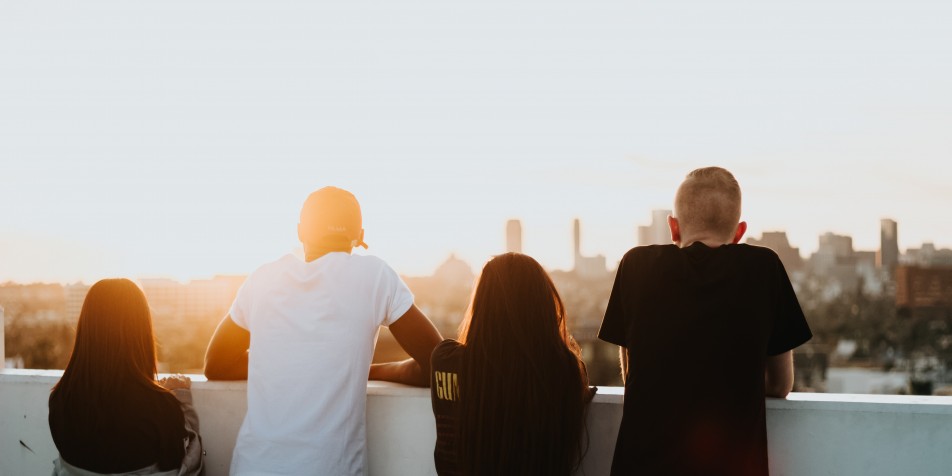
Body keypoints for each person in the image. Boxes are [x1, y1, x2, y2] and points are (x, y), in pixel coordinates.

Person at [204, 186, 443, 476]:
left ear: (300, 232)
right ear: (360, 236)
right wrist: (369, 371)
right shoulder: (375, 276)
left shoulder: (263, 279)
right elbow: (438, 364)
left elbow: (215, 365)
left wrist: (284, 362)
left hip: (254, 467)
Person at [598, 166, 812, 476]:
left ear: (673, 228)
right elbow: (779, 385)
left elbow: (633, 373)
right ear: (740, 232)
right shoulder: (763, 268)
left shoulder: (636, 266)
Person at [430, 252, 594, 476]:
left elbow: (411, 370)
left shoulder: (446, 360)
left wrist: (373, 369)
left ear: (482, 303)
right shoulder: (565, 371)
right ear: (542, 305)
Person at [49, 278, 203, 476]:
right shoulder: (159, 408)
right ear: (141, 332)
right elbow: (184, 465)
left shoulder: (60, 401)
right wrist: (182, 401)